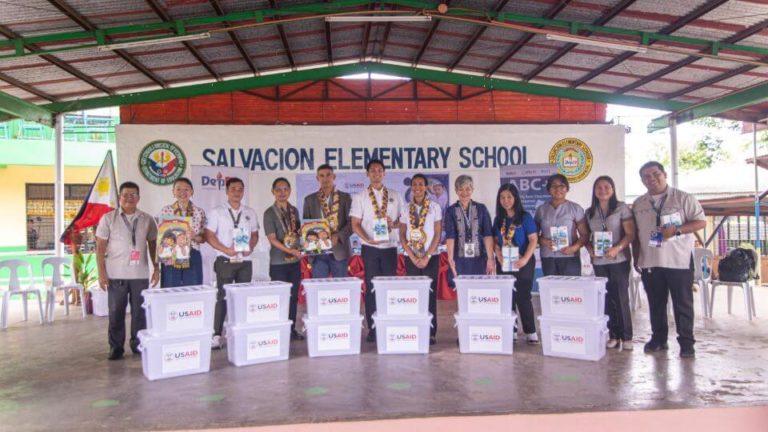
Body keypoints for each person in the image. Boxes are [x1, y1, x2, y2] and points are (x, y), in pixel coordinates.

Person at [632, 161, 705, 358]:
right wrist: (636, 257)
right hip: (650, 261)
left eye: (655, 174)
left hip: (678, 261)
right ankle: (659, 339)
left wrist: (678, 230)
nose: (652, 178)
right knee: (655, 304)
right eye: (646, 176)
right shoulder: (639, 203)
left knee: (683, 303)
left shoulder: (683, 198)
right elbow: (637, 233)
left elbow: (700, 221)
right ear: (642, 180)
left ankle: (687, 343)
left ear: (664, 174)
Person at [95, 181, 159, 360]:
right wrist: (101, 273)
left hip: (140, 274)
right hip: (116, 274)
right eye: (126, 195)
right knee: (116, 312)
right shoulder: (108, 218)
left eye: (133, 195)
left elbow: (153, 244)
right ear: (119, 197)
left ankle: (138, 344)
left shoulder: (147, 219)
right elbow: (100, 247)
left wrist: (156, 268)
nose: (129, 198)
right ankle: (115, 347)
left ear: (139, 197)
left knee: (140, 313)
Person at [350, 159, 404, 342]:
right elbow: (355, 224)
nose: (376, 173)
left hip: (389, 247)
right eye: (372, 170)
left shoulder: (396, 195)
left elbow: (403, 221)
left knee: (388, 287)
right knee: (372, 287)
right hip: (370, 248)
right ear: (367, 174)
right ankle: (373, 328)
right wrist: (367, 239)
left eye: (379, 170)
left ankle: (388, 324)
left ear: (384, 173)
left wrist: (393, 224)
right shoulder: (360, 197)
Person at [205, 177, 260, 349]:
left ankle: (239, 331)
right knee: (222, 297)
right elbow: (209, 235)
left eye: (240, 189)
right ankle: (216, 335)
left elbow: (254, 234)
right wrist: (225, 249)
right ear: (227, 191)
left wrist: (250, 247)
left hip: (245, 261)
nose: (237, 192)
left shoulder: (250, 212)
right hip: (225, 260)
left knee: (242, 297)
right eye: (233, 189)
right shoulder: (217, 212)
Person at [585, 176, 636, 351]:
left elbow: (630, 234)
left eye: (607, 186)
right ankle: (613, 335)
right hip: (599, 261)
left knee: (621, 297)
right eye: (599, 187)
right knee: (605, 298)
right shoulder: (589, 212)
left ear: (613, 189)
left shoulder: (621, 208)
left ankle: (627, 336)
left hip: (618, 260)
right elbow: (586, 237)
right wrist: (589, 248)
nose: (603, 190)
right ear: (594, 190)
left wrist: (617, 248)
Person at [492, 183, 539, 344]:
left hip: (522, 261)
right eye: (502, 197)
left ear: (515, 198)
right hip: (504, 262)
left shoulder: (525, 217)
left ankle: (530, 331)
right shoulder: (498, 219)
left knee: (523, 296)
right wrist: (498, 254)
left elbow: (533, 240)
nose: (506, 201)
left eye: (509, 197)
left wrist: (525, 259)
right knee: (507, 296)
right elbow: (495, 241)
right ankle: (511, 329)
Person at [399, 174, 442, 345]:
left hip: (431, 256)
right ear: (411, 187)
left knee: (430, 294)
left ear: (426, 187)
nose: (417, 187)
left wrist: (427, 256)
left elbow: (438, 233)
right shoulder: (405, 208)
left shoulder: (434, 207)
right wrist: (411, 255)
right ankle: (416, 329)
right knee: (415, 295)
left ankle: (431, 332)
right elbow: (402, 234)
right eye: (414, 184)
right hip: (412, 257)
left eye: (421, 184)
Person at [263, 177, 304, 340]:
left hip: (294, 262)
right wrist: (289, 250)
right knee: (280, 296)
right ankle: (279, 329)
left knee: (293, 296)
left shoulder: (294, 210)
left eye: (285, 189)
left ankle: (291, 329)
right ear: (273, 192)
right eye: (278, 189)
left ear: (290, 191)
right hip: (278, 262)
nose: (282, 192)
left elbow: (298, 233)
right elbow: (272, 239)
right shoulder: (269, 213)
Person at [302, 164, 353, 278]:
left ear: (334, 176)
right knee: (319, 288)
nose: (325, 179)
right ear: (317, 178)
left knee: (340, 289)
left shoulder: (345, 198)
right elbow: (306, 226)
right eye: (321, 176)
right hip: (317, 252)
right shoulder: (309, 200)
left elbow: (352, 224)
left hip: (339, 250)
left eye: (328, 175)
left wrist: (338, 236)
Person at [535, 173, 589, 276]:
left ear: (567, 188)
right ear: (548, 189)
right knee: (551, 289)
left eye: (562, 186)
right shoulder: (541, 210)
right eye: (554, 186)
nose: (558, 189)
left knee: (571, 290)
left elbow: (585, 234)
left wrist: (574, 248)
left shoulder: (575, 208)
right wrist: (544, 241)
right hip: (548, 257)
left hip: (570, 257)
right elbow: (533, 235)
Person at [157, 177, 206, 287]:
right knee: (170, 287)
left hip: (192, 253)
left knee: (193, 288)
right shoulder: (166, 210)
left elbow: (203, 238)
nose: (182, 192)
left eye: (186, 189)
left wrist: (194, 237)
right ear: (173, 192)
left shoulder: (199, 212)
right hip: (171, 253)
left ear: (192, 191)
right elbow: (161, 237)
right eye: (178, 189)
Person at [444, 175, 495, 278]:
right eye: (460, 189)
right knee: (461, 288)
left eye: (468, 189)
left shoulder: (481, 208)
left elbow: (488, 234)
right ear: (456, 191)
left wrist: (490, 258)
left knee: (480, 290)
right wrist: (450, 258)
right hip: (459, 259)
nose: (464, 193)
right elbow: (450, 236)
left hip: (480, 257)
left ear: (472, 189)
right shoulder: (450, 211)